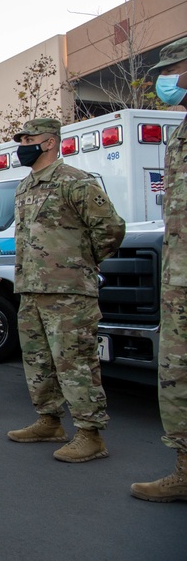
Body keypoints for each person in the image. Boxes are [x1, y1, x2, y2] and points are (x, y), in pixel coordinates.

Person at [7, 118, 125, 462]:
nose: (23, 145)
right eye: (22, 139)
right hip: (31, 289)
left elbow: (111, 228)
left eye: (30, 139)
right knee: (38, 360)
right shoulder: (24, 187)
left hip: (69, 291)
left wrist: (82, 261)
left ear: (49, 143)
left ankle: (90, 434)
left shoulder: (75, 181)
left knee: (74, 362)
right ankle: (49, 420)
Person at [132, 37, 187, 501]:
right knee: (175, 377)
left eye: (174, 68)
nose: (165, 80)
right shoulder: (181, 132)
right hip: (177, 280)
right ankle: (185, 469)